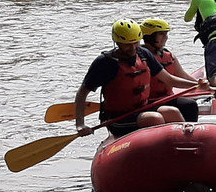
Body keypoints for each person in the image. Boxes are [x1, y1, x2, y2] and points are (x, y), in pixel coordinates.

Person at [75, 19, 208, 138]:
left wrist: (197, 85)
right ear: (117, 42)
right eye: (127, 45)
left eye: (135, 43)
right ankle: (161, 152)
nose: (133, 48)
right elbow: (82, 93)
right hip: (119, 118)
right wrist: (80, 124)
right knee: (153, 118)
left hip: (143, 109)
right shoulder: (105, 63)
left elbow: (169, 80)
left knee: (170, 111)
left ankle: (187, 143)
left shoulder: (143, 54)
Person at [140, 18, 200, 123]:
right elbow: (171, 80)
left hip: (167, 98)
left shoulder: (168, 55)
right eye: (162, 34)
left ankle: (191, 133)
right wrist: (197, 85)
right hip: (149, 102)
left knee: (190, 105)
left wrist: (200, 83)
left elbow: (183, 75)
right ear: (150, 36)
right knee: (173, 110)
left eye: (166, 34)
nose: (166, 38)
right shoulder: (140, 58)